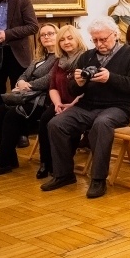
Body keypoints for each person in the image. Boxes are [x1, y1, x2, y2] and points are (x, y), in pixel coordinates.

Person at [41, 16, 130, 198]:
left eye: (103, 39)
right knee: (56, 124)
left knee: (102, 124)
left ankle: (98, 179)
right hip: (87, 105)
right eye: (95, 40)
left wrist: (110, 78)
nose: (99, 44)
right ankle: (64, 174)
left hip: (118, 107)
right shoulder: (87, 56)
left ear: (115, 35)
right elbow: (73, 90)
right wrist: (78, 83)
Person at [0, 24, 58, 177]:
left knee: (12, 115)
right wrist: (20, 82)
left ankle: (1, 162)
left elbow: (49, 79)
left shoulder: (60, 58)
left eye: (50, 33)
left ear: (58, 36)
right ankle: (10, 159)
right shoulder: (40, 57)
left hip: (43, 100)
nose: (46, 37)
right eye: (43, 35)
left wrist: (28, 85)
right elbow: (24, 74)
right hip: (28, 96)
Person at [0, 0, 39, 144]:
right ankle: (1, 135)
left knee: (20, 94)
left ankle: (22, 134)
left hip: (16, 53)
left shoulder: (22, 1)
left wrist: (7, 34)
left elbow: (33, 27)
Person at [36, 25, 87, 179]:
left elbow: (88, 89)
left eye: (70, 38)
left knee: (64, 124)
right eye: (62, 39)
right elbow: (52, 87)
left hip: (79, 103)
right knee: (45, 120)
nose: (66, 42)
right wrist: (57, 104)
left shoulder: (86, 58)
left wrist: (71, 105)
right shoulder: (59, 61)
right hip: (60, 102)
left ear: (78, 39)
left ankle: (62, 164)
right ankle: (45, 162)